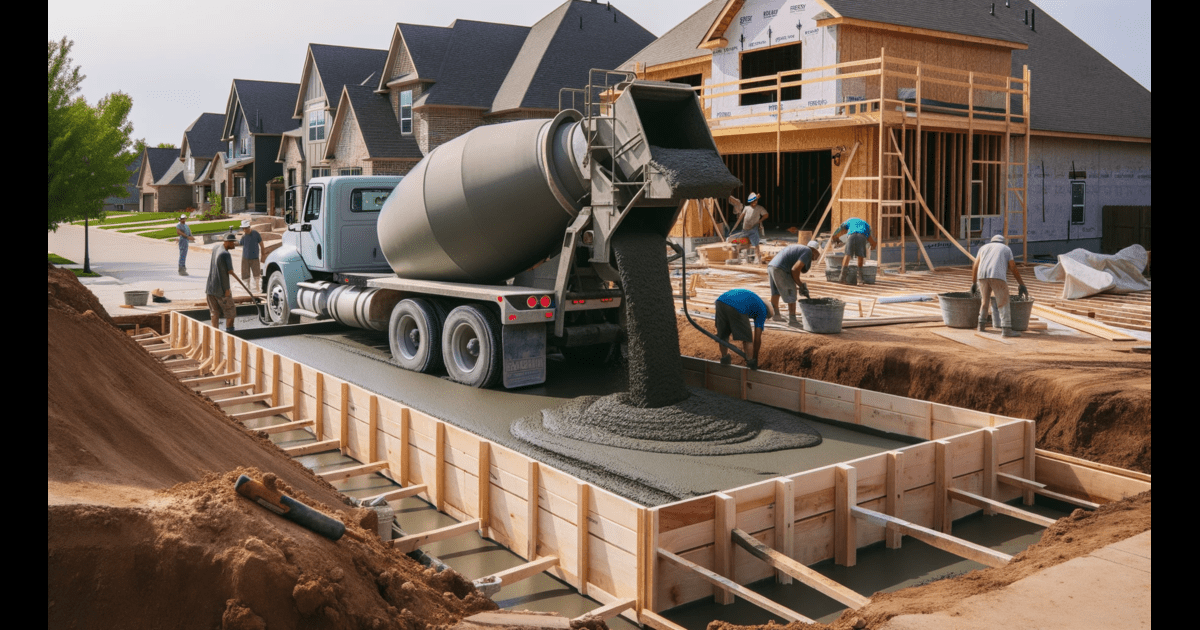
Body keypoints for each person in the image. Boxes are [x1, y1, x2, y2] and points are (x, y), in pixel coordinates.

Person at [971, 234, 1028, 338]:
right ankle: (1006, 330)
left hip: (982, 276)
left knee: (984, 302)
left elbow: (975, 265)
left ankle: (981, 326)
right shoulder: (1006, 249)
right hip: (997, 276)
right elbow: (1013, 267)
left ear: (992, 241)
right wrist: (1021, 284)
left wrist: (974, 283)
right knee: (1003, 302)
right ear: (1003, 242)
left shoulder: (983, 248)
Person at [714, 288, 770, 370]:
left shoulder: (755, 301)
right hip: (737, 305)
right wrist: (755, 359)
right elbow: (757, 339)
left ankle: (724, 359)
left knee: (723, 335)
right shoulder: (763, 310)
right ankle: (750, 363)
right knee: (747, 339)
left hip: (720, 301)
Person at [768, 241, 820, 327]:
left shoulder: (800, 248)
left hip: (772, 266)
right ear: (815, 250)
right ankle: (792, 320)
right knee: (791, 291)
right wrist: (800, 284)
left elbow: (799, 268)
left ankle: (776, 315)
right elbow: (795, 269)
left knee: (776, 292)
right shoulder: (808, 251)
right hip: (781, 268)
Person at [206, 232, 238, 332]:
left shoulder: (216, 248)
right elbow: (229, 271)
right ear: (227, 242)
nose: (234, 244)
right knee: (231, 313)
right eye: (232, 242)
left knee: (214, 313)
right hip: (221, 290)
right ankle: (230, 334)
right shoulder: (226, 254)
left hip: (210, 288)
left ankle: (215, 335)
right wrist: (227, 289)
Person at [830, 217, 877, 285]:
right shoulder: (867, 225)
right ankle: (860, 279)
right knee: (860, 256)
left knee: (847, 255)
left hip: (851, 236)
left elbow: (839, 228)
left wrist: (834, 236)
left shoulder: (849, 221)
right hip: (861, 237)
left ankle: (842, 278)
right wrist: (873, 245)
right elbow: (869, 238)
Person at [725, 193, 769, 261]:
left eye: (756, 201)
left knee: (756, 245)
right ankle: (737, 255)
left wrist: (759, 221)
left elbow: (766, 215)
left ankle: (758, 258)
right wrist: (733, 229)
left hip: (753, 230)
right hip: (745, 231)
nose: (754, 203)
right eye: (753, 201)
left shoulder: (759, 208)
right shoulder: (746, 208)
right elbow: (740, 219)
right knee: (737, 241)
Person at [238, 219, 264, 291]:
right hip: (245, 258)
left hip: (255, 257)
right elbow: (240, 243)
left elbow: (261, 244)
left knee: (257, 274)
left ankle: (257, 288)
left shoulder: (256, 234)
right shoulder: (244, 236)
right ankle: (247, 289)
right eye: (243, 228)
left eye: (245, 228)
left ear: (248, 227)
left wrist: (263, 255)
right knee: (245, 275)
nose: (244, 230)